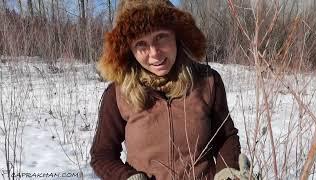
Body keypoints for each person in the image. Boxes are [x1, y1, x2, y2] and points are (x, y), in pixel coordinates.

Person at [90, 0, 252, 179]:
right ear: (130, 50)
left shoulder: (208, 81)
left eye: (160, 37)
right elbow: (102, 154)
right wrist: (126, 177)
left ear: (176, 36)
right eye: (141, 44)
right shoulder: (118, 93)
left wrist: (227, 170)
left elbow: (225, 137)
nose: (154, 53)